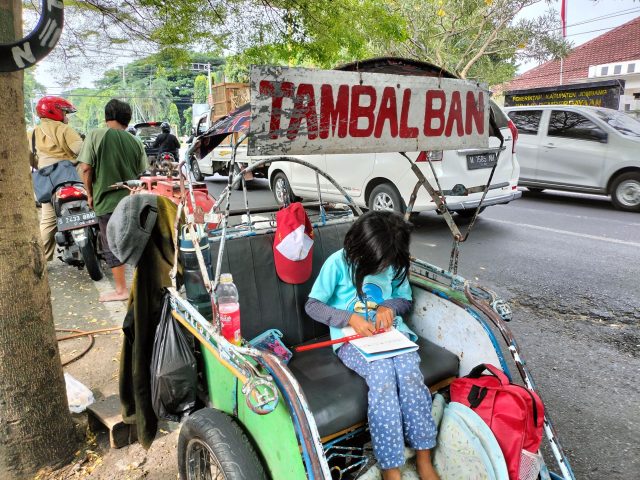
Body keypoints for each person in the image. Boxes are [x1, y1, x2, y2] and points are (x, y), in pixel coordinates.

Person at [305, 211, 440, 480]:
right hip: (351, 341)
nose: (383, 269)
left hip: (393, 336)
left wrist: (389, 308)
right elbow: (313, 305)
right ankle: (391, 468)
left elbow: (404, 299)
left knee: (411, 375)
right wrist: (349, 318)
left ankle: (424, 457)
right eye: (377, 265)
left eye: (386, 264)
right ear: (358, 250)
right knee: (383, 378)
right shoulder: (337, 264)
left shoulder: (394, 262)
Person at [78, 99, 147, 302]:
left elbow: (85, 168)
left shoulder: (95, 135)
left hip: (106, 201)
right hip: (132, 201)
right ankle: (143, 286)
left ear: (107, 116)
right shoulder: (135, 141)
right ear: (128, 118)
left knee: (111, 244)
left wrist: (90, 194)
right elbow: (141, 172)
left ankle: (121, 290)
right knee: (135, 242)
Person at [30, 96, 84, 261]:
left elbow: (31, 160)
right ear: (55, 111)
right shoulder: (65, 129)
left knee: (48, 221)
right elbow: (80, 151)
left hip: (47, 182)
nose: (66, 116)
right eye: (65, 112)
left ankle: (42, 259)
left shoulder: (31, 134)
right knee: (89, 203)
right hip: (69, 176)